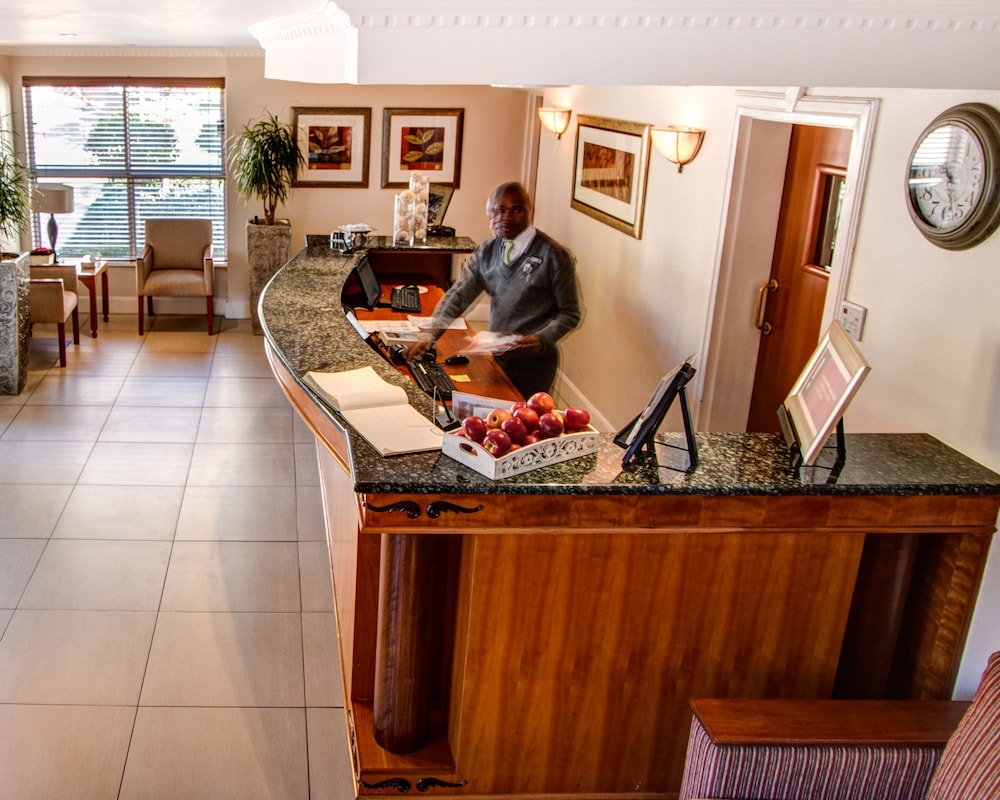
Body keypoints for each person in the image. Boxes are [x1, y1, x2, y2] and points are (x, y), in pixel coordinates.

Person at [403, 182, 583, 398]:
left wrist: (543, 338)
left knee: (524, 415)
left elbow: (571, 313)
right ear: (490, 213)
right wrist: (429, 336)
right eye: (499, 210)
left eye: (516, 210)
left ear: (530, 211)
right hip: (497, 358)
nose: (506, 217)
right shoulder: (486, 251)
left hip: (534, 366)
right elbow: (457, 296)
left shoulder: (555, 256)